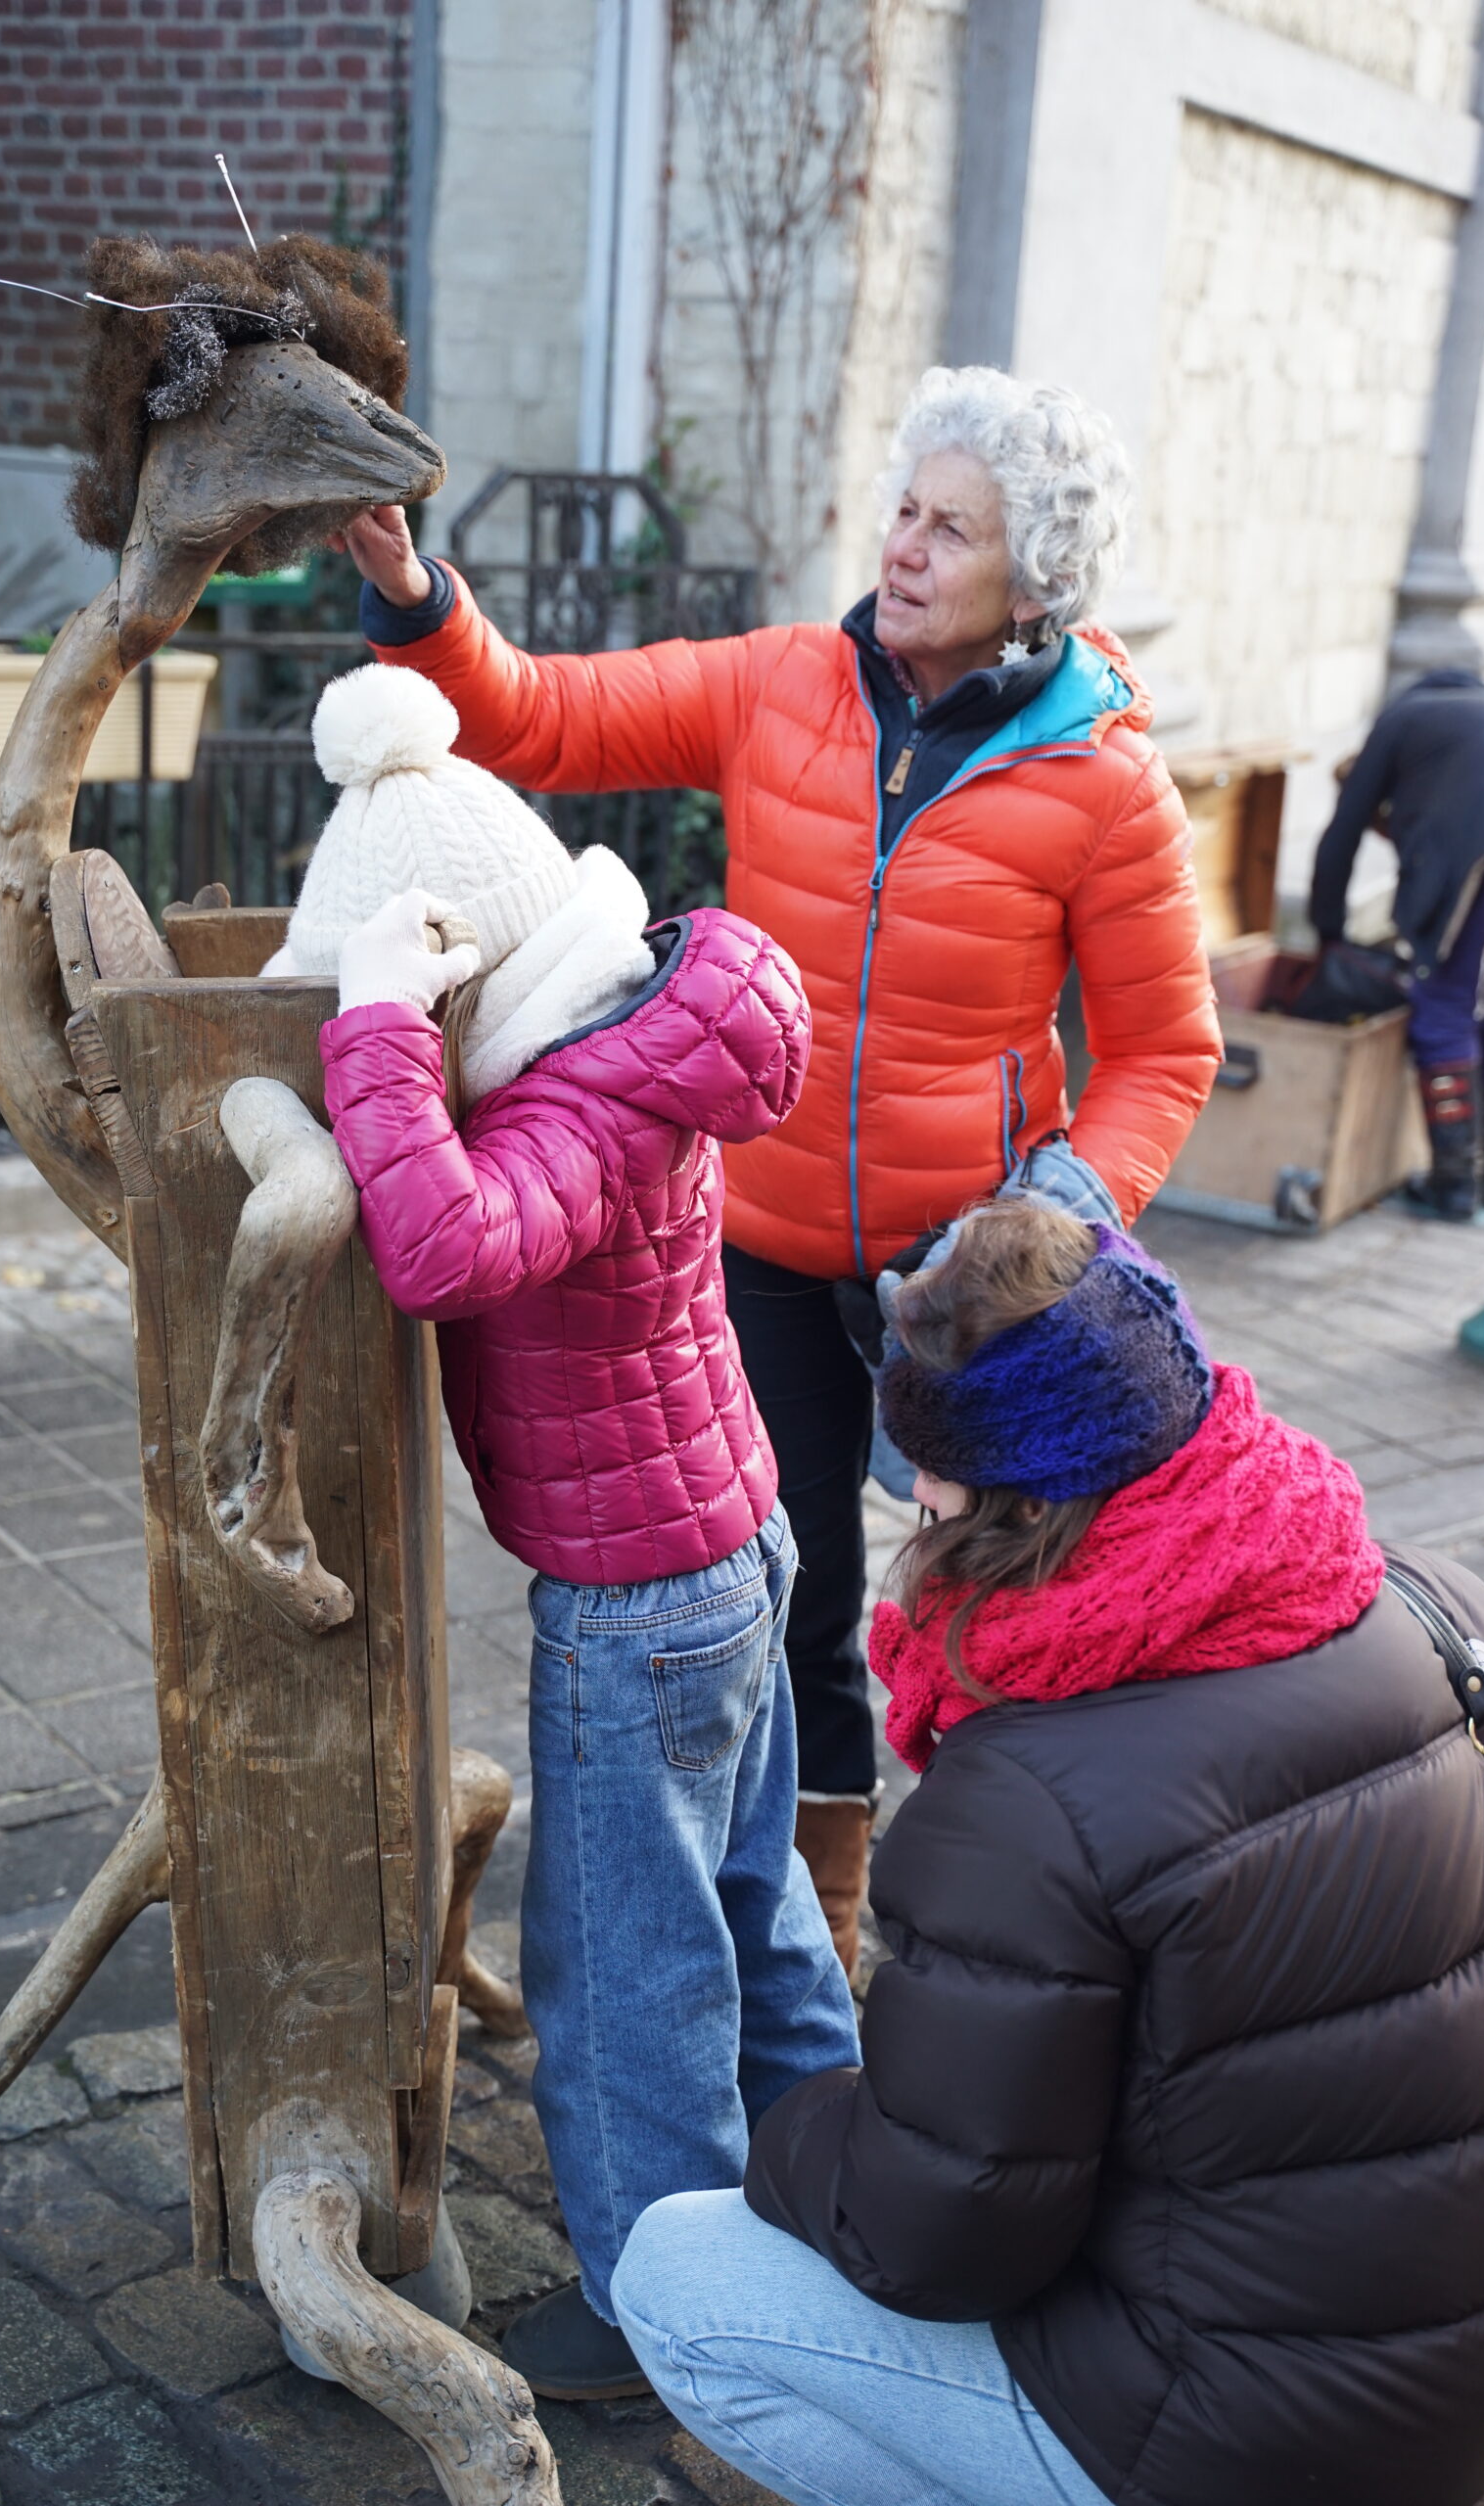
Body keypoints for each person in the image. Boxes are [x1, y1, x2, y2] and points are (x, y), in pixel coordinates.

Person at [336, 366, 1221, 1972]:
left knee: (1004, 1599)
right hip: (751, 1246)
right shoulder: (778, 685)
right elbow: (537, 712)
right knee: (796, 1602)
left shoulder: (1105, 785)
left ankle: (1035, 1918)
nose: (903, 546)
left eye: (952, 528)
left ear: (1037, 576)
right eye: (902, 509)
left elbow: (1165, 1051)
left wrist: (1062, 1211)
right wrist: (416, 596)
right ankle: (812, 1929)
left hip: (971, 1277)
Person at [609, 1197, 1484, 2506]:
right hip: (1440, 2367)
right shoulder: (1410, 1593)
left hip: (1245, 2435)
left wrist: (796, 2128)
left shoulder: (1028, 1789)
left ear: (1003, 1494)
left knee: (673, 2273)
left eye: (927, 1460)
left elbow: (935, 2240)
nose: (912, 1491)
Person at [294, 664, 860, 2400]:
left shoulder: (566, 1106)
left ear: (474, 975)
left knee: (620, 1971)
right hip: (725, 1547)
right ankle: (851, 2189)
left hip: (639, 1602)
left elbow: (445, 1250)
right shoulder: (638, 1049)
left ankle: (655, 2310)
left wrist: (377, 1027)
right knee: (747, 1905)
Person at [1310, 666, 1484, 1220]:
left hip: (1472, 858)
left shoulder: (1401, 719)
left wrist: (1330, 934)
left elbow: (1341, 834)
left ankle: (1454, 1185)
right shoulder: (1469, 717)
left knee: (1441, 1010)